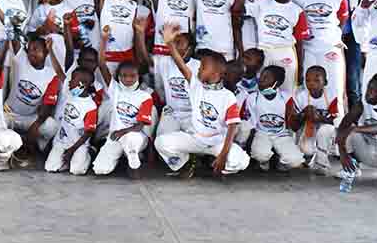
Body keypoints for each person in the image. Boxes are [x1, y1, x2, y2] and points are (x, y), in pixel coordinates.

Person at [155, 50, 249, 178]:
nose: (198, 70)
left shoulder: (228, 96)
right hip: (195, 139)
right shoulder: (196, 87)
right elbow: (182, 66)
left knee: (241, 161)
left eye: (203, 67)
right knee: (161, 142)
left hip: (216, 142)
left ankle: (215, 166)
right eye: (199, 67)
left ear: (216, 72)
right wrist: (170, 44)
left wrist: (223, 155)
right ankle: (185, 164)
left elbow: (232, 127)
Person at [90, 23, 155, 178]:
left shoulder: (145, 96)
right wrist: (104, 40)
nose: (128, 79)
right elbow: (101, 63)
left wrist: (122, 131)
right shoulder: (115, 89)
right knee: (100, 169)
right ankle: (122, 157)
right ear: (119, 76)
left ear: (138, 76)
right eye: (124, 76)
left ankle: (133, 162)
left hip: (135, 136)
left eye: (132, 76)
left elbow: (140, 126)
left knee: (131, 140)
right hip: (115, 136)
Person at [234, 0, 307, 94]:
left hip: (285, 53)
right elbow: (237, 10)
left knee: (287, 92)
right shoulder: (261, 3)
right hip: (263, 53)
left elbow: (299, 42)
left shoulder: (297, 11)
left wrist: (300, 67)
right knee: (261, 91)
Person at [293, 0, 349, 109]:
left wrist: (331, 37)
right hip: (308, 48)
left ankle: (335, 121)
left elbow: (342, 20)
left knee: (334, 86)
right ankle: (309, 121)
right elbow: (296, 21)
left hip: (330, 48)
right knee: (309, 86)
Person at [4, 33, 65, 163]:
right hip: (10, 114)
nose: (32, 53)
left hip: (30, 118)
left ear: (46, 53)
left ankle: (37, 145)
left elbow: (48, 105)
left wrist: (36, 125)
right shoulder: (21, 61)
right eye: (30, 49)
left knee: (51, 126)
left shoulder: (51, 75)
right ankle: (9, 146)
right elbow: (15, 42)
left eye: (36, 49)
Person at [335, 73, 377, 186]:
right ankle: (352, 168)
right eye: (368, 88)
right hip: (366, 152)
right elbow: (343, 125)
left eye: (373, 90)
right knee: (347, 129)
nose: (368, 92)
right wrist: (342, 153)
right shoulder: (361, 105)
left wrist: (354, 129)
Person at [323, 0, 364, 105]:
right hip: (329, 36)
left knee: (353, 78)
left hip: (351, 34)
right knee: (330, 77)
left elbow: (362, 6)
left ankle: (355, 117)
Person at [247, 65, 304, 171]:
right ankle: (263, 161)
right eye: (261, 76)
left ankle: (282, 160)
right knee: (260, 154)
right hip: (262, 133)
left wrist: (297, 117)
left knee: (295, 161)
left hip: (281, 134)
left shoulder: (286, 98)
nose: (261, 80)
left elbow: (293, 124)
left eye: (266, 78)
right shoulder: (253, 98)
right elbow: (251, 124)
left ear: (276, 83)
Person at [44, 66, 100, 175]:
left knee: (77, 170)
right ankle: (67, 160)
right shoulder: (69, 93)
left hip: (79, 144)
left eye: (72, 79)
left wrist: (72, 150)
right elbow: (60, 73)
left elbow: (89, 132)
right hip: (62, 141)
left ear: (81, 85)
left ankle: (88, 154)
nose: (69, 82)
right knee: (50, 167)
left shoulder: (90, 106)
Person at [288, 65, 337, 172]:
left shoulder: (333, 95)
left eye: (316, 80)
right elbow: (293, 126)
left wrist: (319, 118)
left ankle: (322, 164)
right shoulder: (300, 96)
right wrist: (304, 113)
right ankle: (310, 157)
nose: (311, 84)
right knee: (307, 150)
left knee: (325, 130)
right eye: (308, 80)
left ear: (325, 82)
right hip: (309, 129)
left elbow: (337, 121)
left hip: (328, 132)